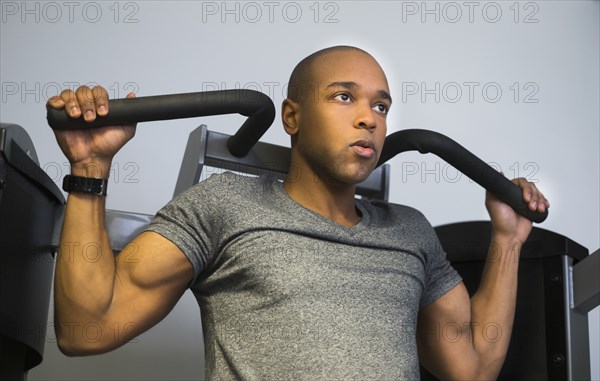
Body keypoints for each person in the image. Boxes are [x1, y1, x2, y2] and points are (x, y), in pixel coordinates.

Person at [48, 45, 549, 380]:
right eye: (344, 96)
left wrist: (507, 240)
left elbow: (475, 366)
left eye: (380, 106)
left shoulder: (410, 231)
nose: (367, 119)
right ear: (292, 117)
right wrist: (90, 168)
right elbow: (84, 329)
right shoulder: (225, 205)